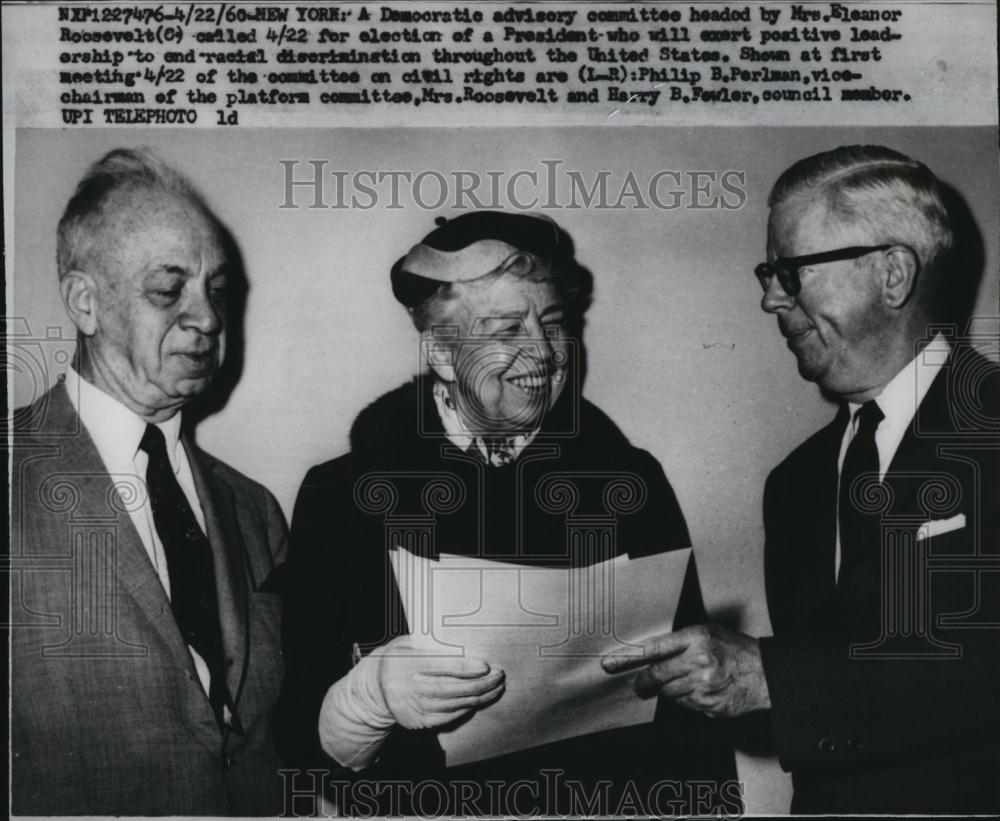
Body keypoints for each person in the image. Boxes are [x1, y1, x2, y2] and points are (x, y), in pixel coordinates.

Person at [274, 211, 736, 816]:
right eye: (507, 328)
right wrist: (366, 698)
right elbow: (299, 744)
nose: (543, 352)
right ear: (441, 350)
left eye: (553, 322)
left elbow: (690, 712)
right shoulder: (344, 495)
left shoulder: (630, 479)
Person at [603, 145, 999, 813]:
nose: (768, 298)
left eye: (789, 271)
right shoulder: (795, 484)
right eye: (768, 273)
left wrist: (770, 678)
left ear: (893, 274)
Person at [10, 148, 287, 815]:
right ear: (85, 301)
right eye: (169, 290)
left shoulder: (256, 510)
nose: (209, 319)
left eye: (217, 290)